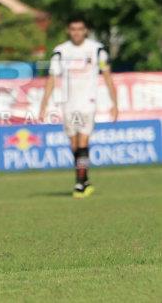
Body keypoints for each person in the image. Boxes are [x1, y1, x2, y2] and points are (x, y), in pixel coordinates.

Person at [39, 19, 118, 198]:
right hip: (69, 104)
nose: (76, 32)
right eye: (73, 29)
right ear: (68, 31)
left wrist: (115, 103)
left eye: (80, 29)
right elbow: (51, 79)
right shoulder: (60, 51)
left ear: (86, 31)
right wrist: (44, 104)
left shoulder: (97, 49)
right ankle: (85, 179)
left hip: (87, 102)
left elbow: (107, 76)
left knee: (83, 142)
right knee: (74, 145)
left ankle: (79, 184)